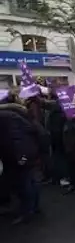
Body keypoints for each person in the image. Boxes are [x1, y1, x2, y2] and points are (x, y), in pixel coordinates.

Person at [0, 90, 42, 225]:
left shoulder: (6, 115)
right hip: (24, 153)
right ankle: (33, 208)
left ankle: (27, 212)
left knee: (24, 184)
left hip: (20, 155)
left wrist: (22, 156)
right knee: (29, 182)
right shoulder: (16, 110)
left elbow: (17, 137)